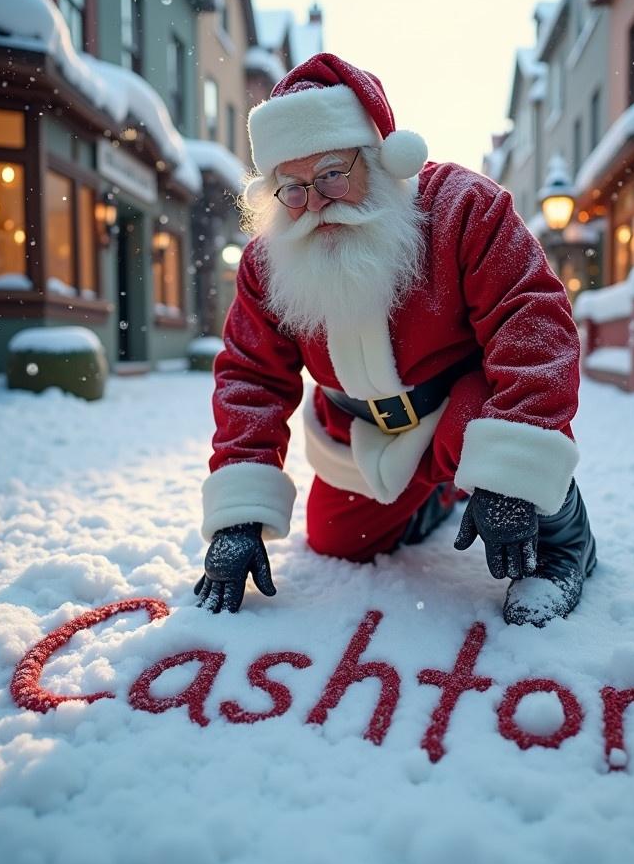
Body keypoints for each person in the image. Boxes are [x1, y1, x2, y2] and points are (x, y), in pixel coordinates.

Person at [194, 53, 596, 627]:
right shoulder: (268, 261)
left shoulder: (463, 207)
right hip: (361, 434)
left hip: (465, 414)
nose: (317, 204)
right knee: (337, 539)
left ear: (380, 157)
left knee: (500, 450)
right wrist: (238, 515)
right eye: (293, 188)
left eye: (333, 172)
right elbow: (251, 375)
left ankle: (564, 543)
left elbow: (531, 322)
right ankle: (440, 497)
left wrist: (515, 467)